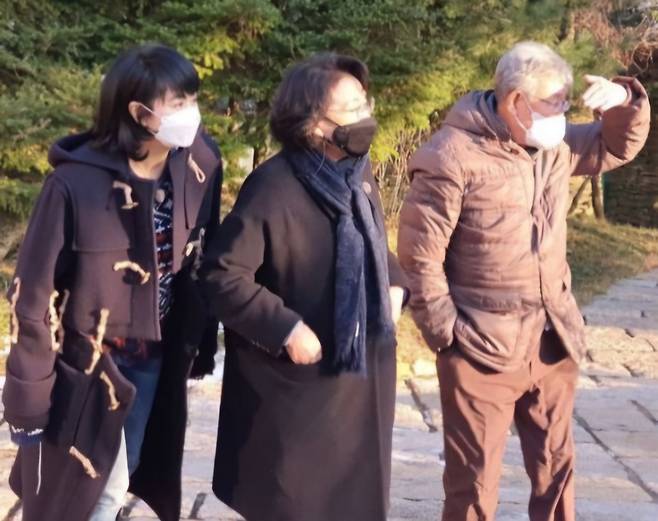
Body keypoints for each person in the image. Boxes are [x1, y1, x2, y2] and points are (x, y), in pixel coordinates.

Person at [397, 41, 650, 521]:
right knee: (473, 485)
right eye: (555, 102)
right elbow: (419, 256)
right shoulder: (452, 155)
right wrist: (448, 335)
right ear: (516, 101)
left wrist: (624, 102)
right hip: (480, 346)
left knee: (557, 472)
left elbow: (616, 146)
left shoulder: (554, 147)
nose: (563, 112)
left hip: (551, 339)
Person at [2, 43, 223, 521]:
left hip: (155, 354)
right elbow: (33, 294)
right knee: (93, 488)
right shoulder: (74, 185)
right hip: (89, 362)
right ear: (140, 114)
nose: (192, 113)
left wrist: (200, 343)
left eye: (192, 98)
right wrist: (28, 399)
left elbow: (201, 258)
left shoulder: (199, 164)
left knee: (127, 469)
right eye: (178, 103)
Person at [198, 53, 408, 521]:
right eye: (350, 109)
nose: (364, 117)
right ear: (313, 124)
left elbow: (373, 244)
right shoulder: (273, 187)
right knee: (298, 505)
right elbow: (222, 275)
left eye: (364, 104)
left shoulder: (357, 173)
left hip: (362, 382)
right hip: (297, 393)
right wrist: (286, 329)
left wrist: (395, 285)